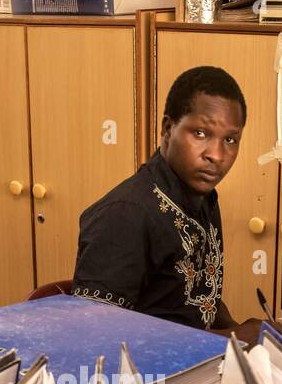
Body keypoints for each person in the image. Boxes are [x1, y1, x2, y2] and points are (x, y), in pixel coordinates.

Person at [72, 66, 263, 342]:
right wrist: (235, 336)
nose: (217, 155)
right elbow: (97, 337)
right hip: (142, 380)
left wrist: (239, 331)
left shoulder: (203, 197)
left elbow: (194, 297)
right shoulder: (125, 215)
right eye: (200, 133)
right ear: (168, 129)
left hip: (194, 369)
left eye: (230, 140)